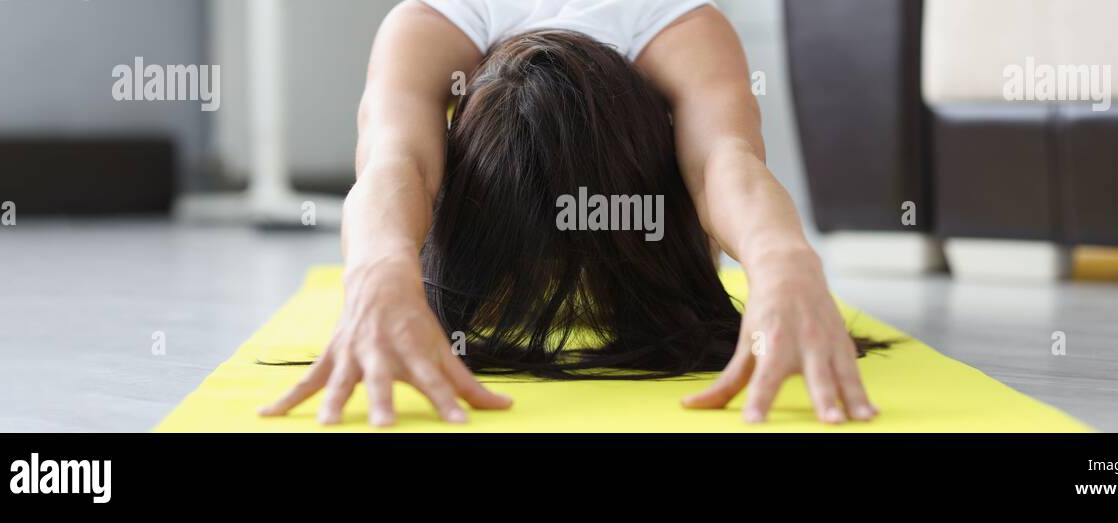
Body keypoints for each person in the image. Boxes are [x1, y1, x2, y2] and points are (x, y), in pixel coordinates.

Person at [259, 0, 879, 427]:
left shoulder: (679, 26)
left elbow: (725, 161)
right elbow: (398, 164)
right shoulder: (430, 25)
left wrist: (783, 261)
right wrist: (378, 269)